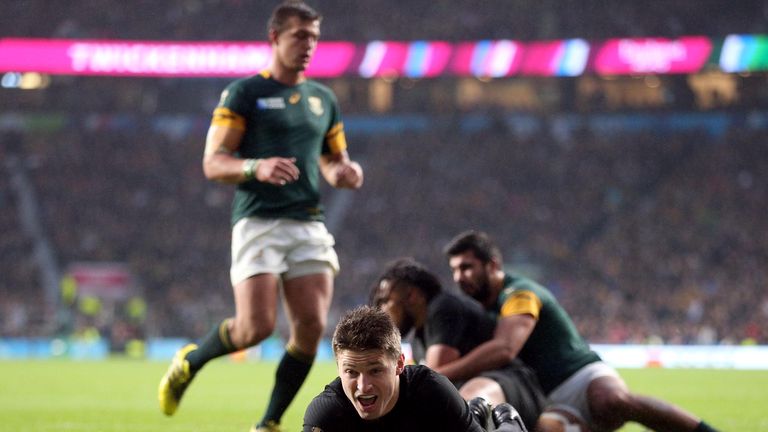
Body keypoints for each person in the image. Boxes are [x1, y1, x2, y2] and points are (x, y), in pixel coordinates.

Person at [157, 2, 364, 431]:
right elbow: (213, 163)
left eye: (314, 37)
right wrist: (256, 166)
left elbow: (331, 160)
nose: (308, 46)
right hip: (259, 220)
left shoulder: (323, 99)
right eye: (299, 37)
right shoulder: (245, 93)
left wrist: (344, 172)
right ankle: (190, 361)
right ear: (274, 37)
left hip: (308, 221)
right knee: (256, 328)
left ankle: (269, 422)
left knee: (310, 327)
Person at [437, 230, 720, 432]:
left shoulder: (519, 293)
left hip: (580, 377)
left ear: (493, 265)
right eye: (455, 270)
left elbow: (504, 349)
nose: (460, 277)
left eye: (467, 267)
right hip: (542, 397)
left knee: (612, 401)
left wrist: (440, 374)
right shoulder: (479, 310)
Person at [369, 258, 546, 430]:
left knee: (470, 402)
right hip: (487, 395)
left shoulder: (443, 307)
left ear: (412, 296)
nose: (382, 310)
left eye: (385, 301)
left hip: (514, 384)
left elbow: (436, 371)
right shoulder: (418, 338)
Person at [303, 305, 529, 432]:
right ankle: (475, 410)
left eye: (375, 370)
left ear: (400, 364)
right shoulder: (325, 416)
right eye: (351, 372)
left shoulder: (431, 391)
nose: (363, 386)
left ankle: (509, 423)